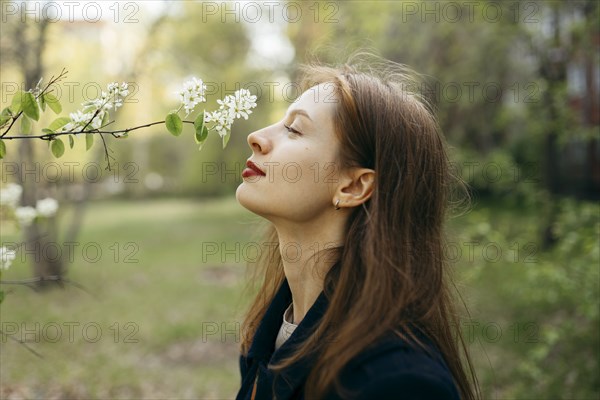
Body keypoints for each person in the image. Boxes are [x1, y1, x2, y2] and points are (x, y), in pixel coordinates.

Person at [235, 54, 480, 400]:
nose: (256, 137)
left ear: (353, 187)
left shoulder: (398, 383)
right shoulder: (270, 334)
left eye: (294, 129)